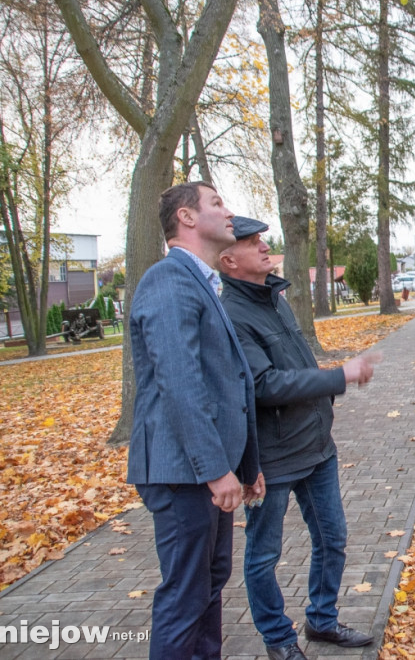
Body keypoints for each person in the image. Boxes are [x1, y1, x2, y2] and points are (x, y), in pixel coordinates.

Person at [219, 216, 381, 660]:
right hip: (272, 458)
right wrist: (338, 377)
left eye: (262, 240)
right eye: (253, 243)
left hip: (316, 448)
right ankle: (279, 640)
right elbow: (265, 385)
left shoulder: (275, 297)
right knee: (263, 555)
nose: (264, 247)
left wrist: (324, 404)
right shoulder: (231, 314)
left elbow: (297, 365)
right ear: (228, 260)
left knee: (333, 538)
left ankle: (321, 621)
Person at [127, 181, 264, 659]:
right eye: (217, 203)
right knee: (185, 594)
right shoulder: (168, 281)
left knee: (209, 583)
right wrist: (214, 469)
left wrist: (247, 466)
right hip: (183, 471)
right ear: (186, 218)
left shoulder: (201, 282)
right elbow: (181, 385)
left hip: (204, 471)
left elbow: (229, 383)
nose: (230, 212)